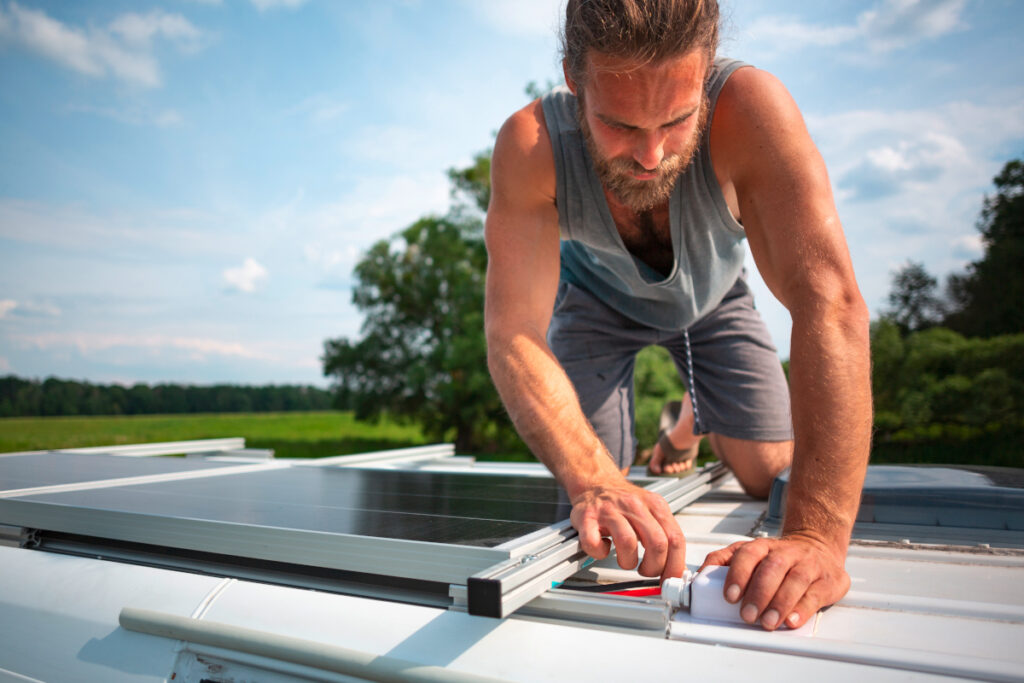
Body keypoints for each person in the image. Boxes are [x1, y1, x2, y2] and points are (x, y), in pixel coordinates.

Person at [483, 0, 871, 632]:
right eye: (618, 125)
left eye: (678, 120)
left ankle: (687, 425)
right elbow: (514, 332)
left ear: (706, 74)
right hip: (596, 304)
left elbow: (830, 302)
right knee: (593, 506)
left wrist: (818, 537)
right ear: (574, 79)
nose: (651, 155)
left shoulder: (753, 109)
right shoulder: (530, 146)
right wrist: (593, 479)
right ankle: (672, 424)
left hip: (715, 298)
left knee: (766, 476)